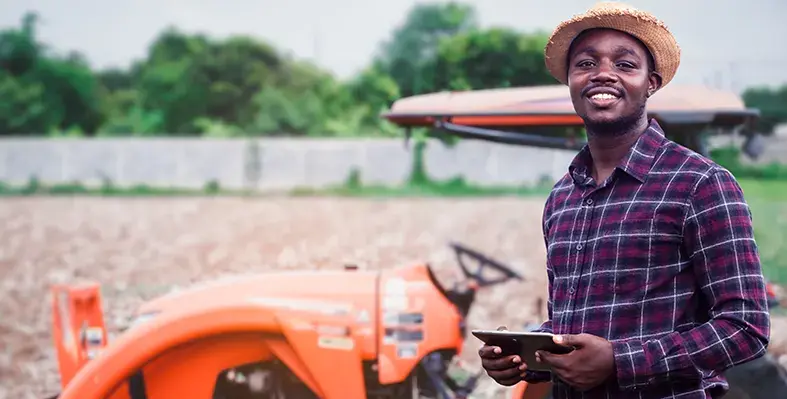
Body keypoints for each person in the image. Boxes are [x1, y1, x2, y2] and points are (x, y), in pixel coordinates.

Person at [478, 2, 771, 398]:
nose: (603, 74)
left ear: (651, 83)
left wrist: (620, 361)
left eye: (625, 65)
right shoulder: (563, 198)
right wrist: (526, 356)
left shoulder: (700, 184)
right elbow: (572, 326)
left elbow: (746, 326)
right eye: (585, 64)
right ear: (570, 80)